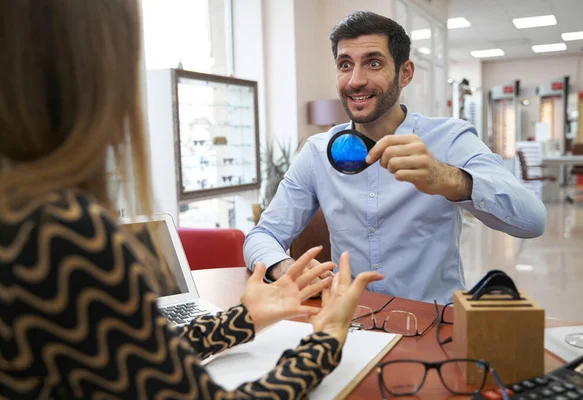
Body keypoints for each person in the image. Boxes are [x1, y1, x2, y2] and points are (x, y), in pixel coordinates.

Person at [0, 1, 383, 399]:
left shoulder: (24, 223)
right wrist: (327, 341)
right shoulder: (59, 238)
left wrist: (243, 319)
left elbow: (130, 357)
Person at [244, 11, 547, 303]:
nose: (354, 80)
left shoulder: (450, 138)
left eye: (373, 63)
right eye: (345, 64)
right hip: (351, 320)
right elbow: (262, 235)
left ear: (405, 73)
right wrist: (285, 268)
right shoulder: (317, 151)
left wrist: (449, 179)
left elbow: (533, 220)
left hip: (434, 323)